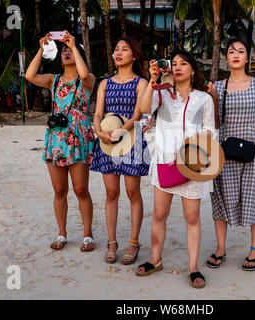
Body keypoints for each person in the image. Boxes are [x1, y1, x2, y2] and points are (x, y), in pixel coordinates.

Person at [137, 51, 216, 288]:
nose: (178, 67)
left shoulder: (204, 99)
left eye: (183, 64)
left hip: (192, 163)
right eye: (174, 64)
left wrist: (194, 144)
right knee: (159, 214)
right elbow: (143, 108)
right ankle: (155, 259)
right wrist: (153, 80)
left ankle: (193, 268)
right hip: (164, 160)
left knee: (191, 217)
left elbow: (210, 129)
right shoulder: (161, 95)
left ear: (193, 70)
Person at [207, 38, 255, 272]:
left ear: (247, 58)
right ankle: (221, 248)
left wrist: (245, 138)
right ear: (226, 58)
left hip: (252, 149)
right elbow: (216, 121)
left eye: (241, 51)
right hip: (223, 149)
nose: (236, 55)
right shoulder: (218, 87)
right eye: (231, 51)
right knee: (220, 198)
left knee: (254, 196)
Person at [25, 31, 97, 251]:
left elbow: (84, 76)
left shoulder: (88, 79)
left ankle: (87, 234)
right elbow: (29, 75)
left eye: (70, 50)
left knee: (81, 189)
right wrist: (41, 48)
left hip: (78, 137)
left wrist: (74, 46)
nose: (66, 52)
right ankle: (62, 234)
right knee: (59, 190)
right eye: (63, 50)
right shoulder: (53, 80)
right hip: (56, 138)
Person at [91, 37, 150, 265]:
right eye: (116, 49)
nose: (119, 52)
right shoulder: (105, 83)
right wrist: (99, 131)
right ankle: (112, 242)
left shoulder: (141, 83)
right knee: (111, 192)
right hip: (107, 140)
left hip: (131, 140)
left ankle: (133, 242)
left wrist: (121, 131)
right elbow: (97, 113)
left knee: (132, 192)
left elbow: (137, 115)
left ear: (134, 56)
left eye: (125, 49)